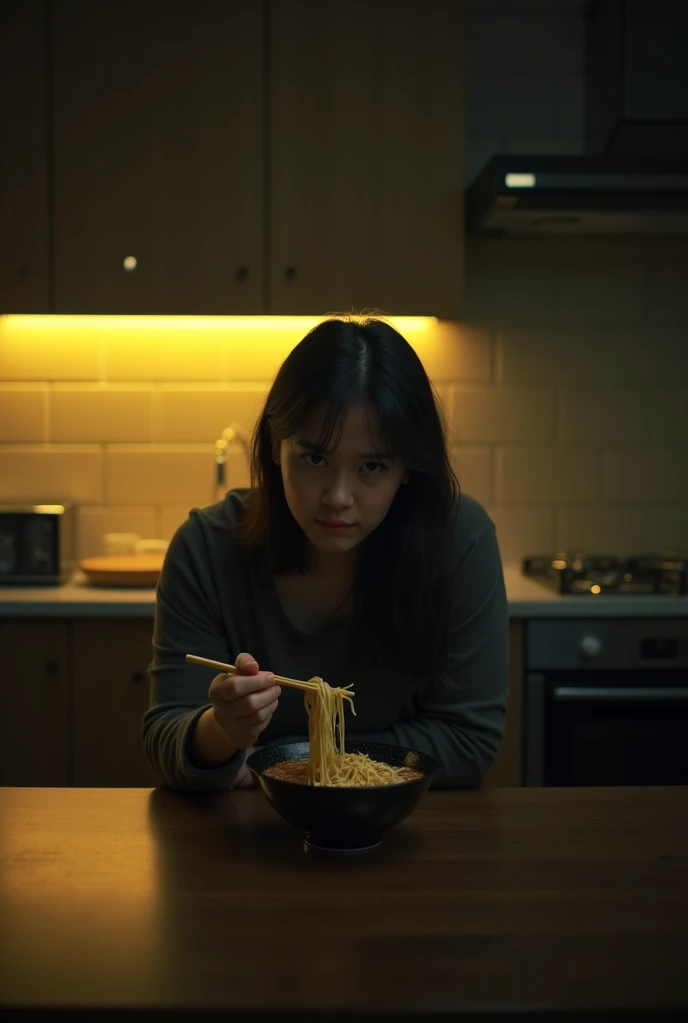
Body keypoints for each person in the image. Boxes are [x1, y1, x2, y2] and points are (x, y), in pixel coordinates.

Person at [143, 314, 509, 790]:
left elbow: (469, 742)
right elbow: (167, 739)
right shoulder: (206, 548)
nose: (338, 496)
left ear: (408, 469)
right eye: (315, 458)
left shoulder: (458, 540)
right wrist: (220, 730)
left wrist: (276, 760)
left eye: (372, 466)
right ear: (277, 447)